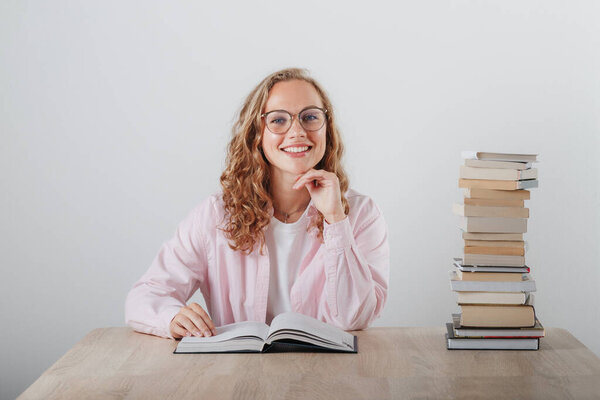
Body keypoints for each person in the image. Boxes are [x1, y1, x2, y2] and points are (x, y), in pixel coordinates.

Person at [125, 68, 390, 340]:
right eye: (278, 120)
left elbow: (354, 317)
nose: (297, 132)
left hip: (326, 375)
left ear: (327, 129)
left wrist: (335, 218)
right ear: (257, 134)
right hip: (239, 374)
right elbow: (145, 295)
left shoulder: (361, 214)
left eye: (310, 117)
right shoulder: (216, 214)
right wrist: (172, 317)